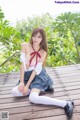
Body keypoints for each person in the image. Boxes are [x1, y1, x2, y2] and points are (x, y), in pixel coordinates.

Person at [11, 27, 74, 119]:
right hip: (26, 75)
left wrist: (27, 86)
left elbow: (36, 70)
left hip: (37, 75)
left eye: (39, 37)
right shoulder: (25, 45)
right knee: (14, 92)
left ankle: (65, 103)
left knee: (32, 98)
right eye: (34, 36)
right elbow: (22, 66)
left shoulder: (43, 52)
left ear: (42, 39)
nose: (35, 39)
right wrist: (21, 82)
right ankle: (41, 88)